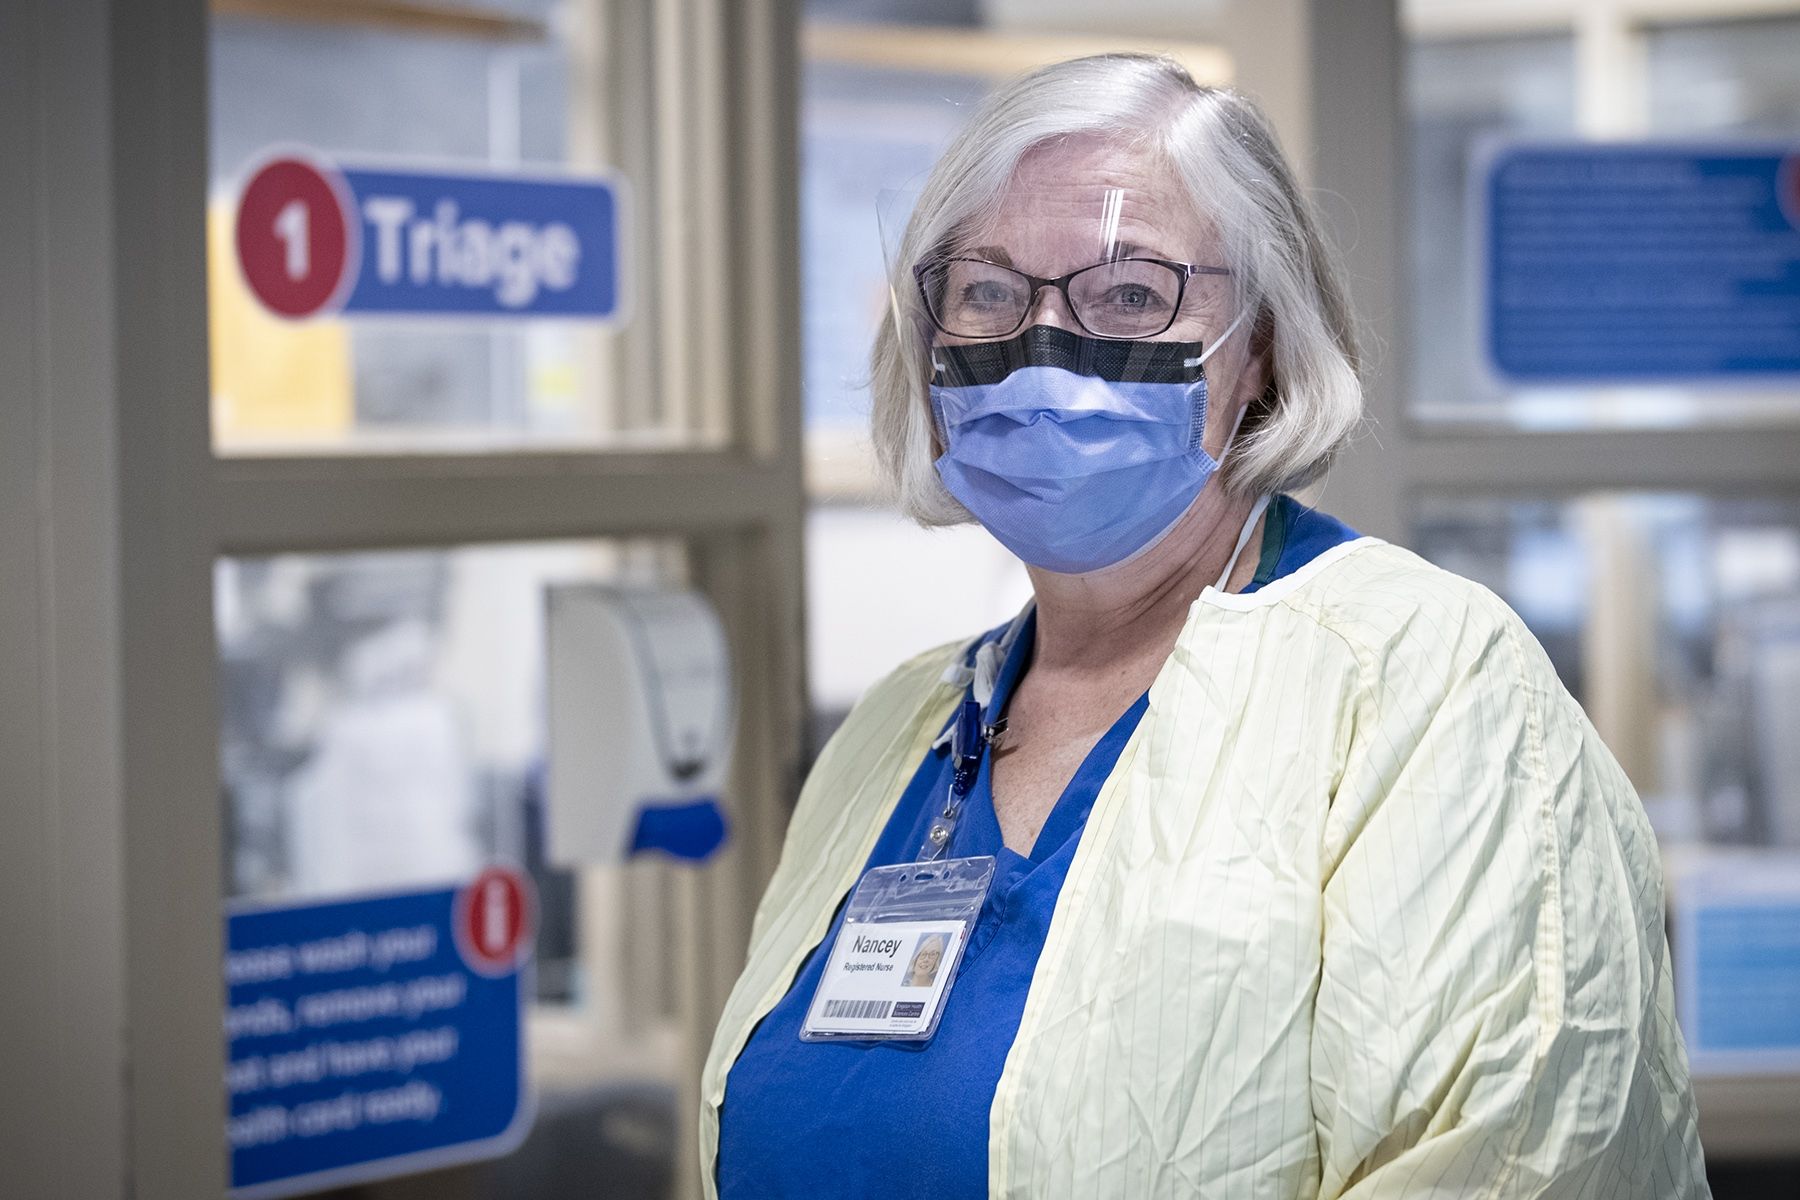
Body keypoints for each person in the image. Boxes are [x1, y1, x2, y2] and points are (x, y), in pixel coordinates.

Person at [702, 54, 1709, 1198]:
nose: (1042, 348)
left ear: (1264, 352)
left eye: (1129, 294)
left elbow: (1523, 1162)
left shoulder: (1425, 687)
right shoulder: (901, 729)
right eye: (987, 291)